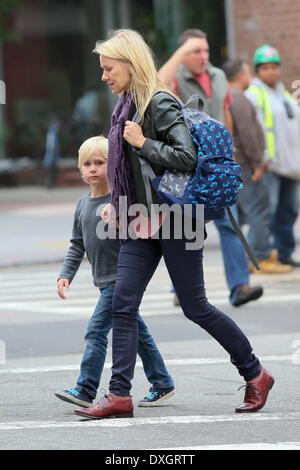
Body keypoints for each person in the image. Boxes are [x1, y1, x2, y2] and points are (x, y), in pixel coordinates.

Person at [74, 29, 274, 420]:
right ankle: (119, 395)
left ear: (130, 65)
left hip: (178, 217)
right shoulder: (125, 107)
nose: (104, 76)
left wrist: (142, 142)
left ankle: (256, 373)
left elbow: (185, 157)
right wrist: (118, 203)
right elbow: (130, 170)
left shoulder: (159, 103)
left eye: (108, 68)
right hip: (141, 218)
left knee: (196, 306)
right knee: (123, 302)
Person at [55, 135, 175, 409]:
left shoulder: (121, 201)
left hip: (121, 280)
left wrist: (119, 221)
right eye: (87, 164)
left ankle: (85, 389)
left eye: (100, 162)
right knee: (139, 334)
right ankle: (162, 382)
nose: (93, 168)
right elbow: (77, 244)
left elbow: (138, 237)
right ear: (80, 168)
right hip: (104, 280)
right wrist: (65, 274)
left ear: (113, 166)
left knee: (95, 331)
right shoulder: (83, 205)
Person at [158, 28, 263, 307]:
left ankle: (240, 286)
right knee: (187, 228)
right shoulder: (176, 78)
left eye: (206, 50)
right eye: (196, 51)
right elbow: (156, 82)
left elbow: (225, 113)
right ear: (182, 54)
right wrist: (180, 54)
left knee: (231, 223)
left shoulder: (217, 76)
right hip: (187, 164)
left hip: (217, 164)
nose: (204, 56)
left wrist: (229, 156)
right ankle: (182, 288)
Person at [222, 59, 291, 274]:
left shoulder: (228, 96)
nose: (249, 77)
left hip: (239, 163)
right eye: (247, 72)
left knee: (248, 213)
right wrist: (258, 163)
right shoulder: (239, 97)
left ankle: (252, 257)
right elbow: (248, 133)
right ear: (240, 75)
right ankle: (260, 257)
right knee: (259, 211)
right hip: (247, 165)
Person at [246, 45, 300, 268]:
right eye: (265, 68)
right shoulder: (254, 94)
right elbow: (251, 129)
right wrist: (260, 159)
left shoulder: (284, 94)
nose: (271, 72)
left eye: (274, 67)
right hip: (270, 164)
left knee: (288, 212)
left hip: (291, 165)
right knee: (266, 212)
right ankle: (260, 256)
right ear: (257, 71)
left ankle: (284, 253)